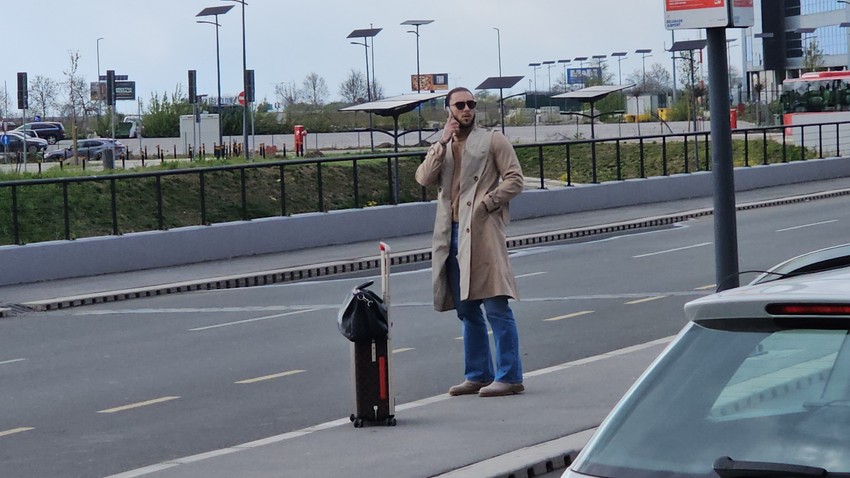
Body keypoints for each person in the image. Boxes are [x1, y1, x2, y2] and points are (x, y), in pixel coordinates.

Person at [415, 87, 525, 398]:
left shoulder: (492, 140)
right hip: (449, 232)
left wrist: (487, 204)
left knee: (495, 305)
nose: (466, 109)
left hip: (481, 232)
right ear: (448, 109)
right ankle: (478, 374)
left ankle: (510, 376)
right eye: (460, 105)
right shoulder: (444, 145)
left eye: (471, 104)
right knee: (466, 310)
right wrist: (441, 142)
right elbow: (423, 178)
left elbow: (515, 178)